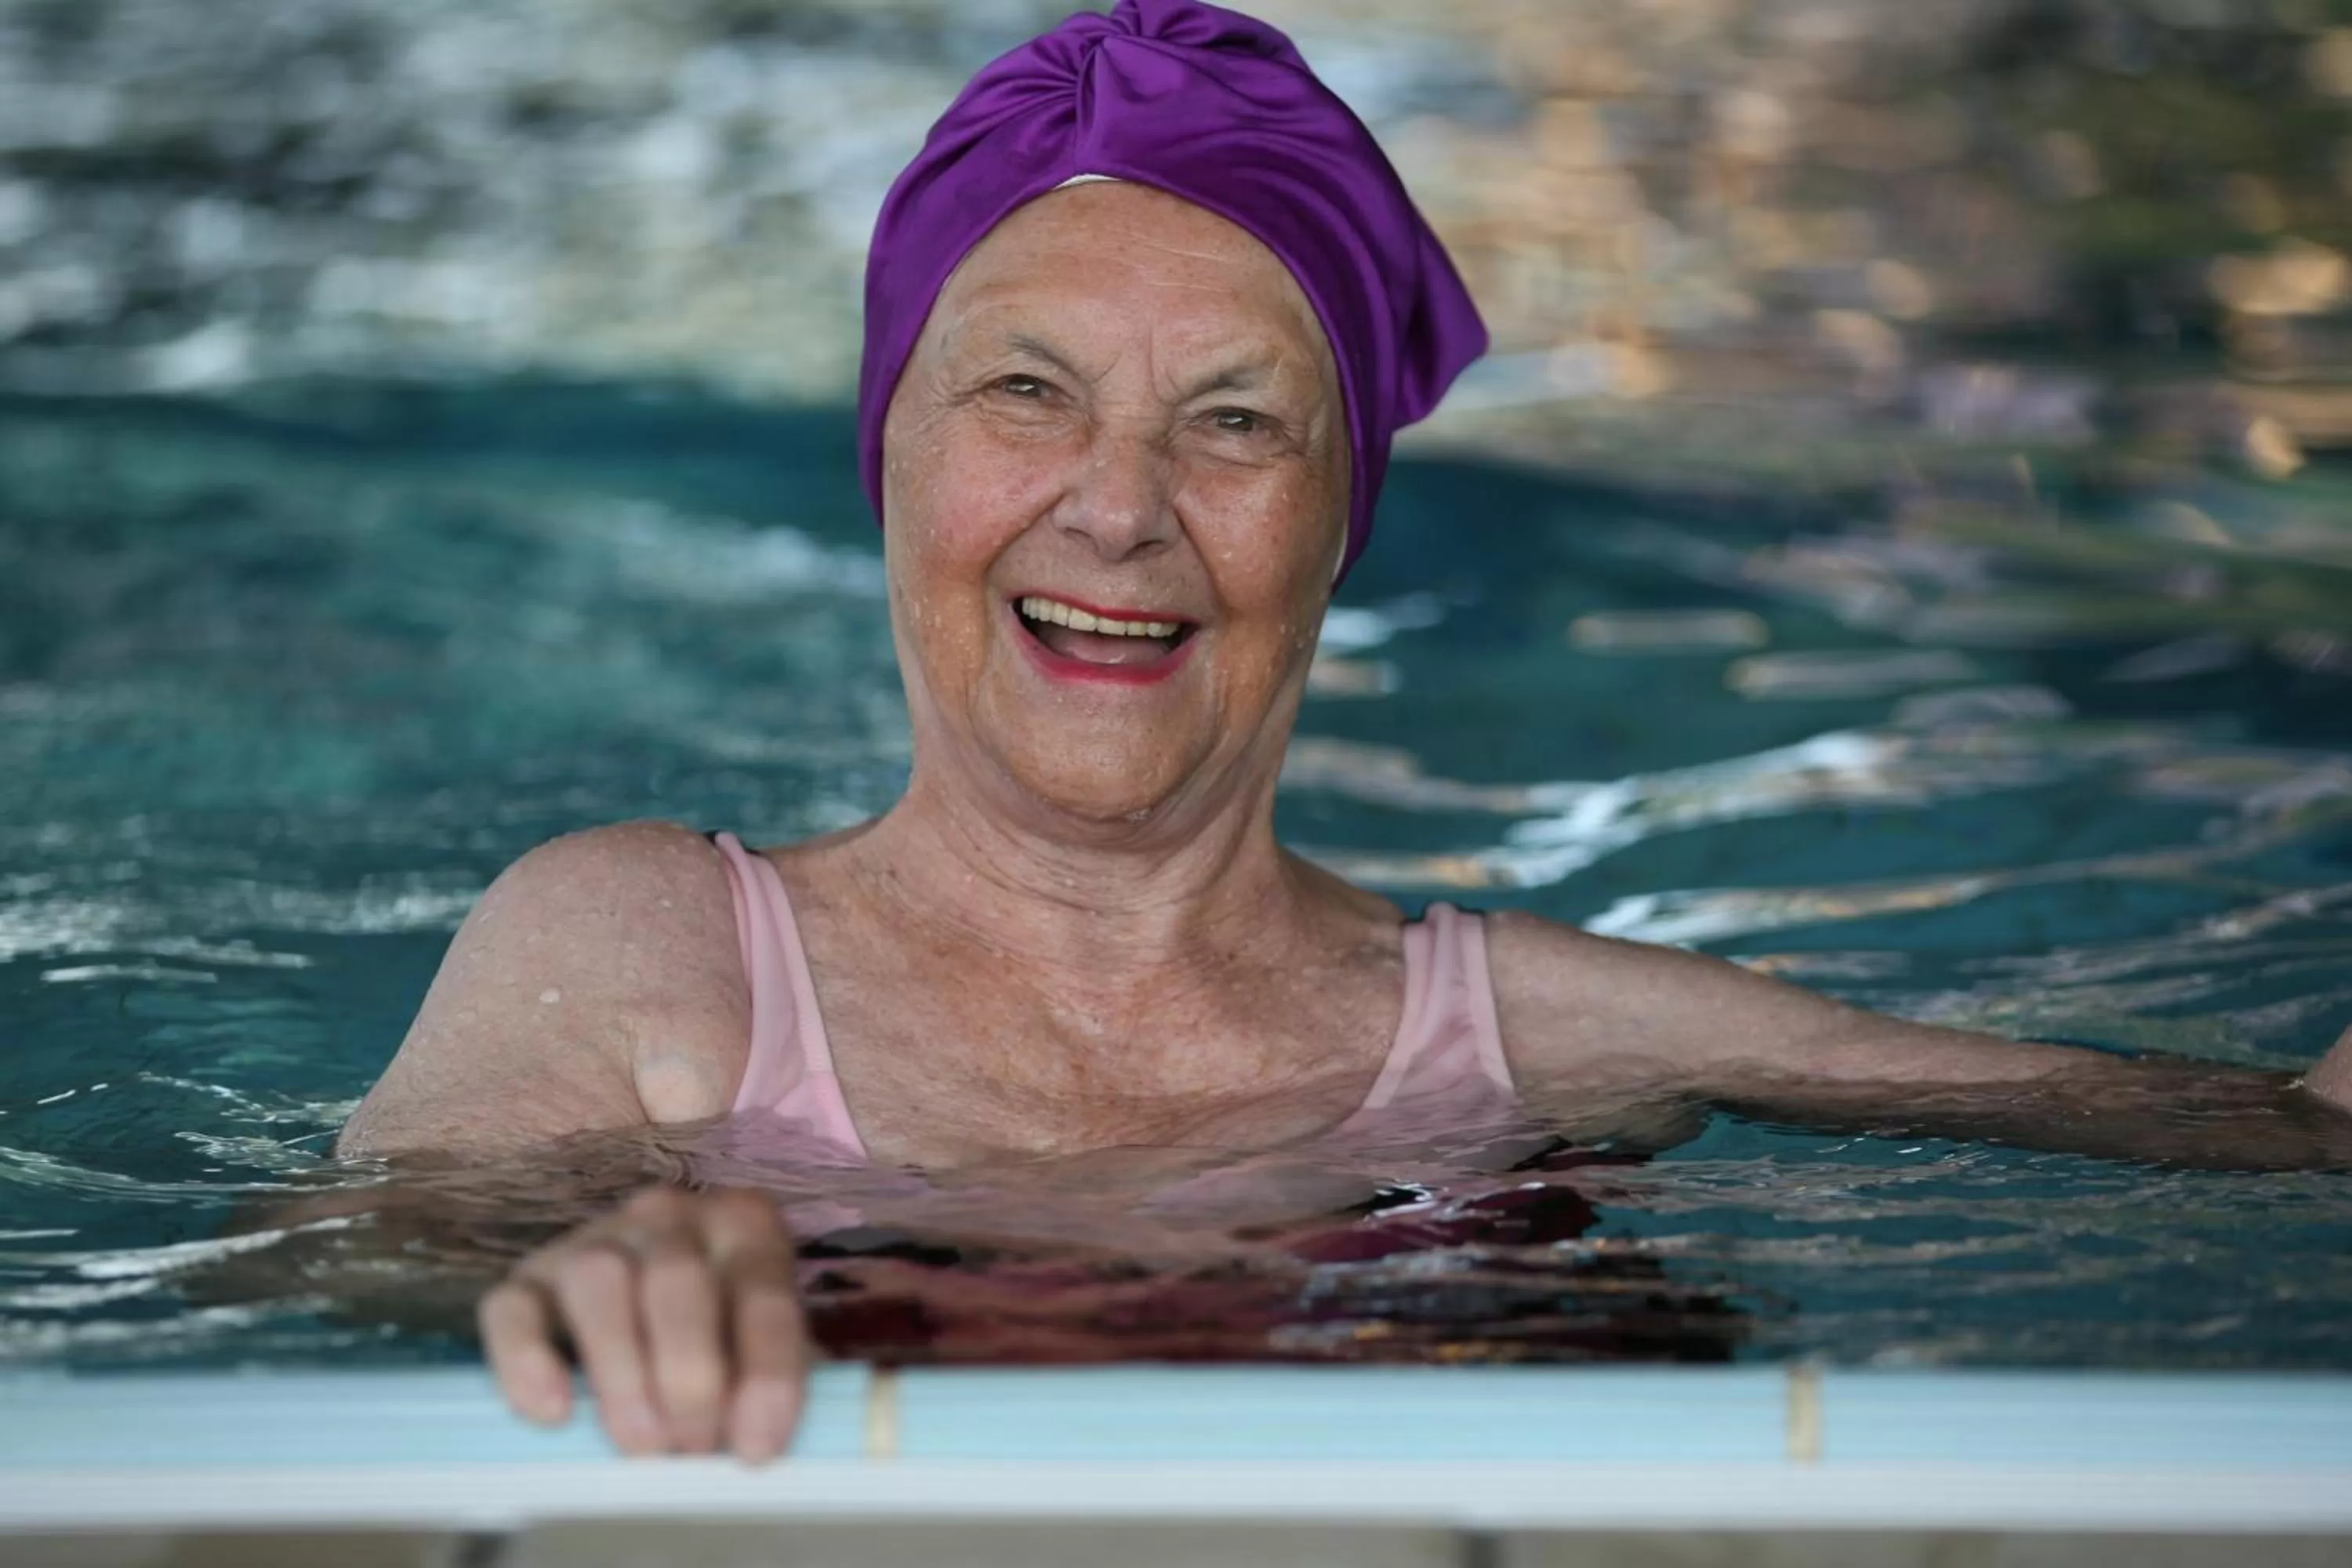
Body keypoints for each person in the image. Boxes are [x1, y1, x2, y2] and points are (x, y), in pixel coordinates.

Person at [334, 0, 2352, 1465]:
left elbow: (2224, 1127)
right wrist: (539, 1270)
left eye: (1233, 420)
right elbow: (329, 1262)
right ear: (892, 461)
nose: (1116, 507)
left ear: (1336, 524)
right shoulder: (640, 951)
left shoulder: (1519, 1037)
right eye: (1025, 390)